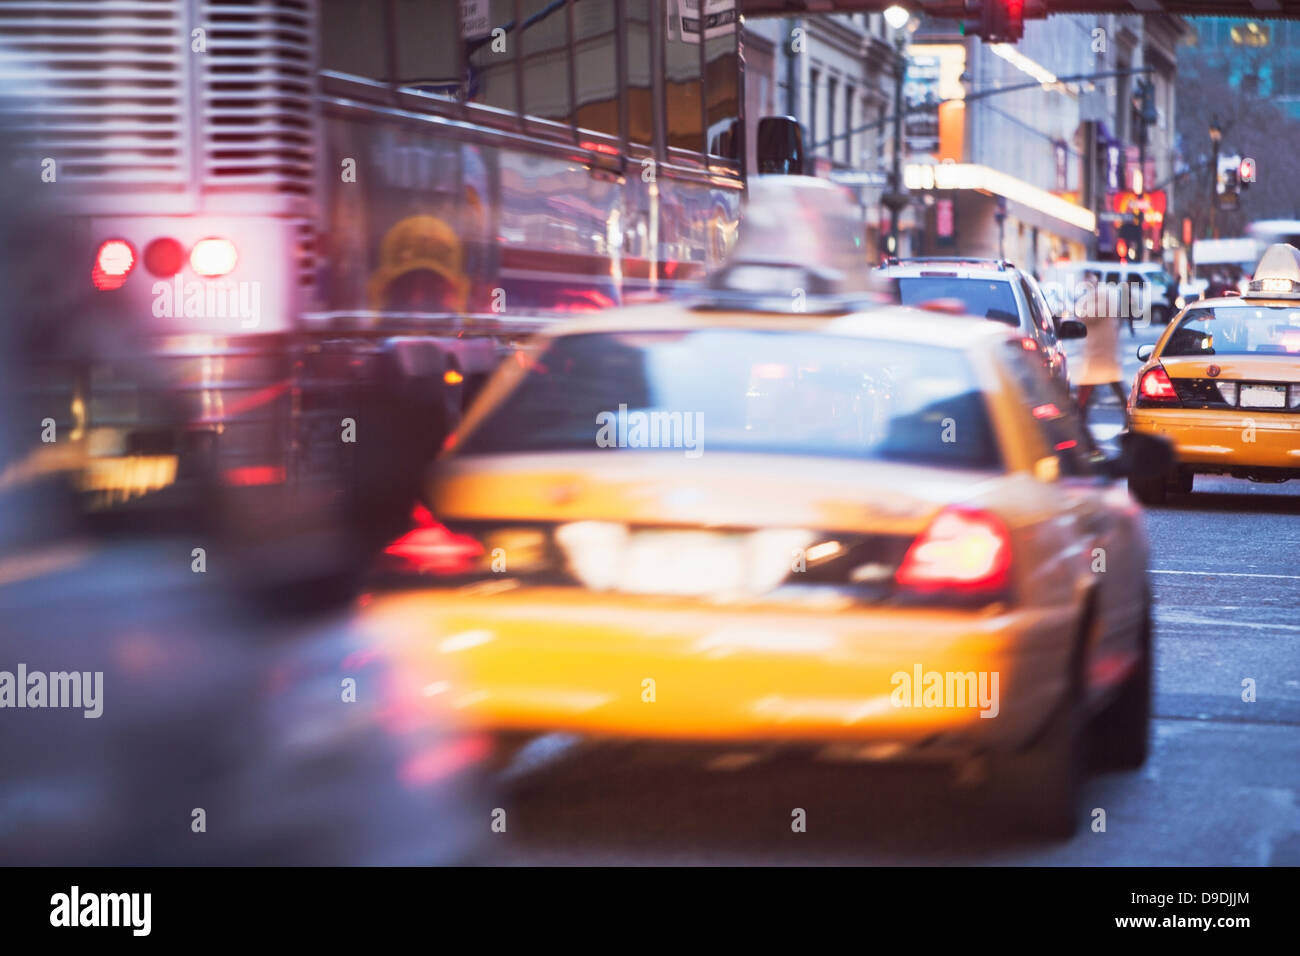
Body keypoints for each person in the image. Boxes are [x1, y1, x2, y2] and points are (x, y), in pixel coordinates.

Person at [1074, 269, 1130, 427]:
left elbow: (1086, 315)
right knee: (1112, 382)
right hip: (1103, 347)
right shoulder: (1105, 294)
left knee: (1089, 384)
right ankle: (1082, 416)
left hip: (1099, 349)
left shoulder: (1100, 296)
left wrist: (1081, 306)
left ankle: (1081, 418)